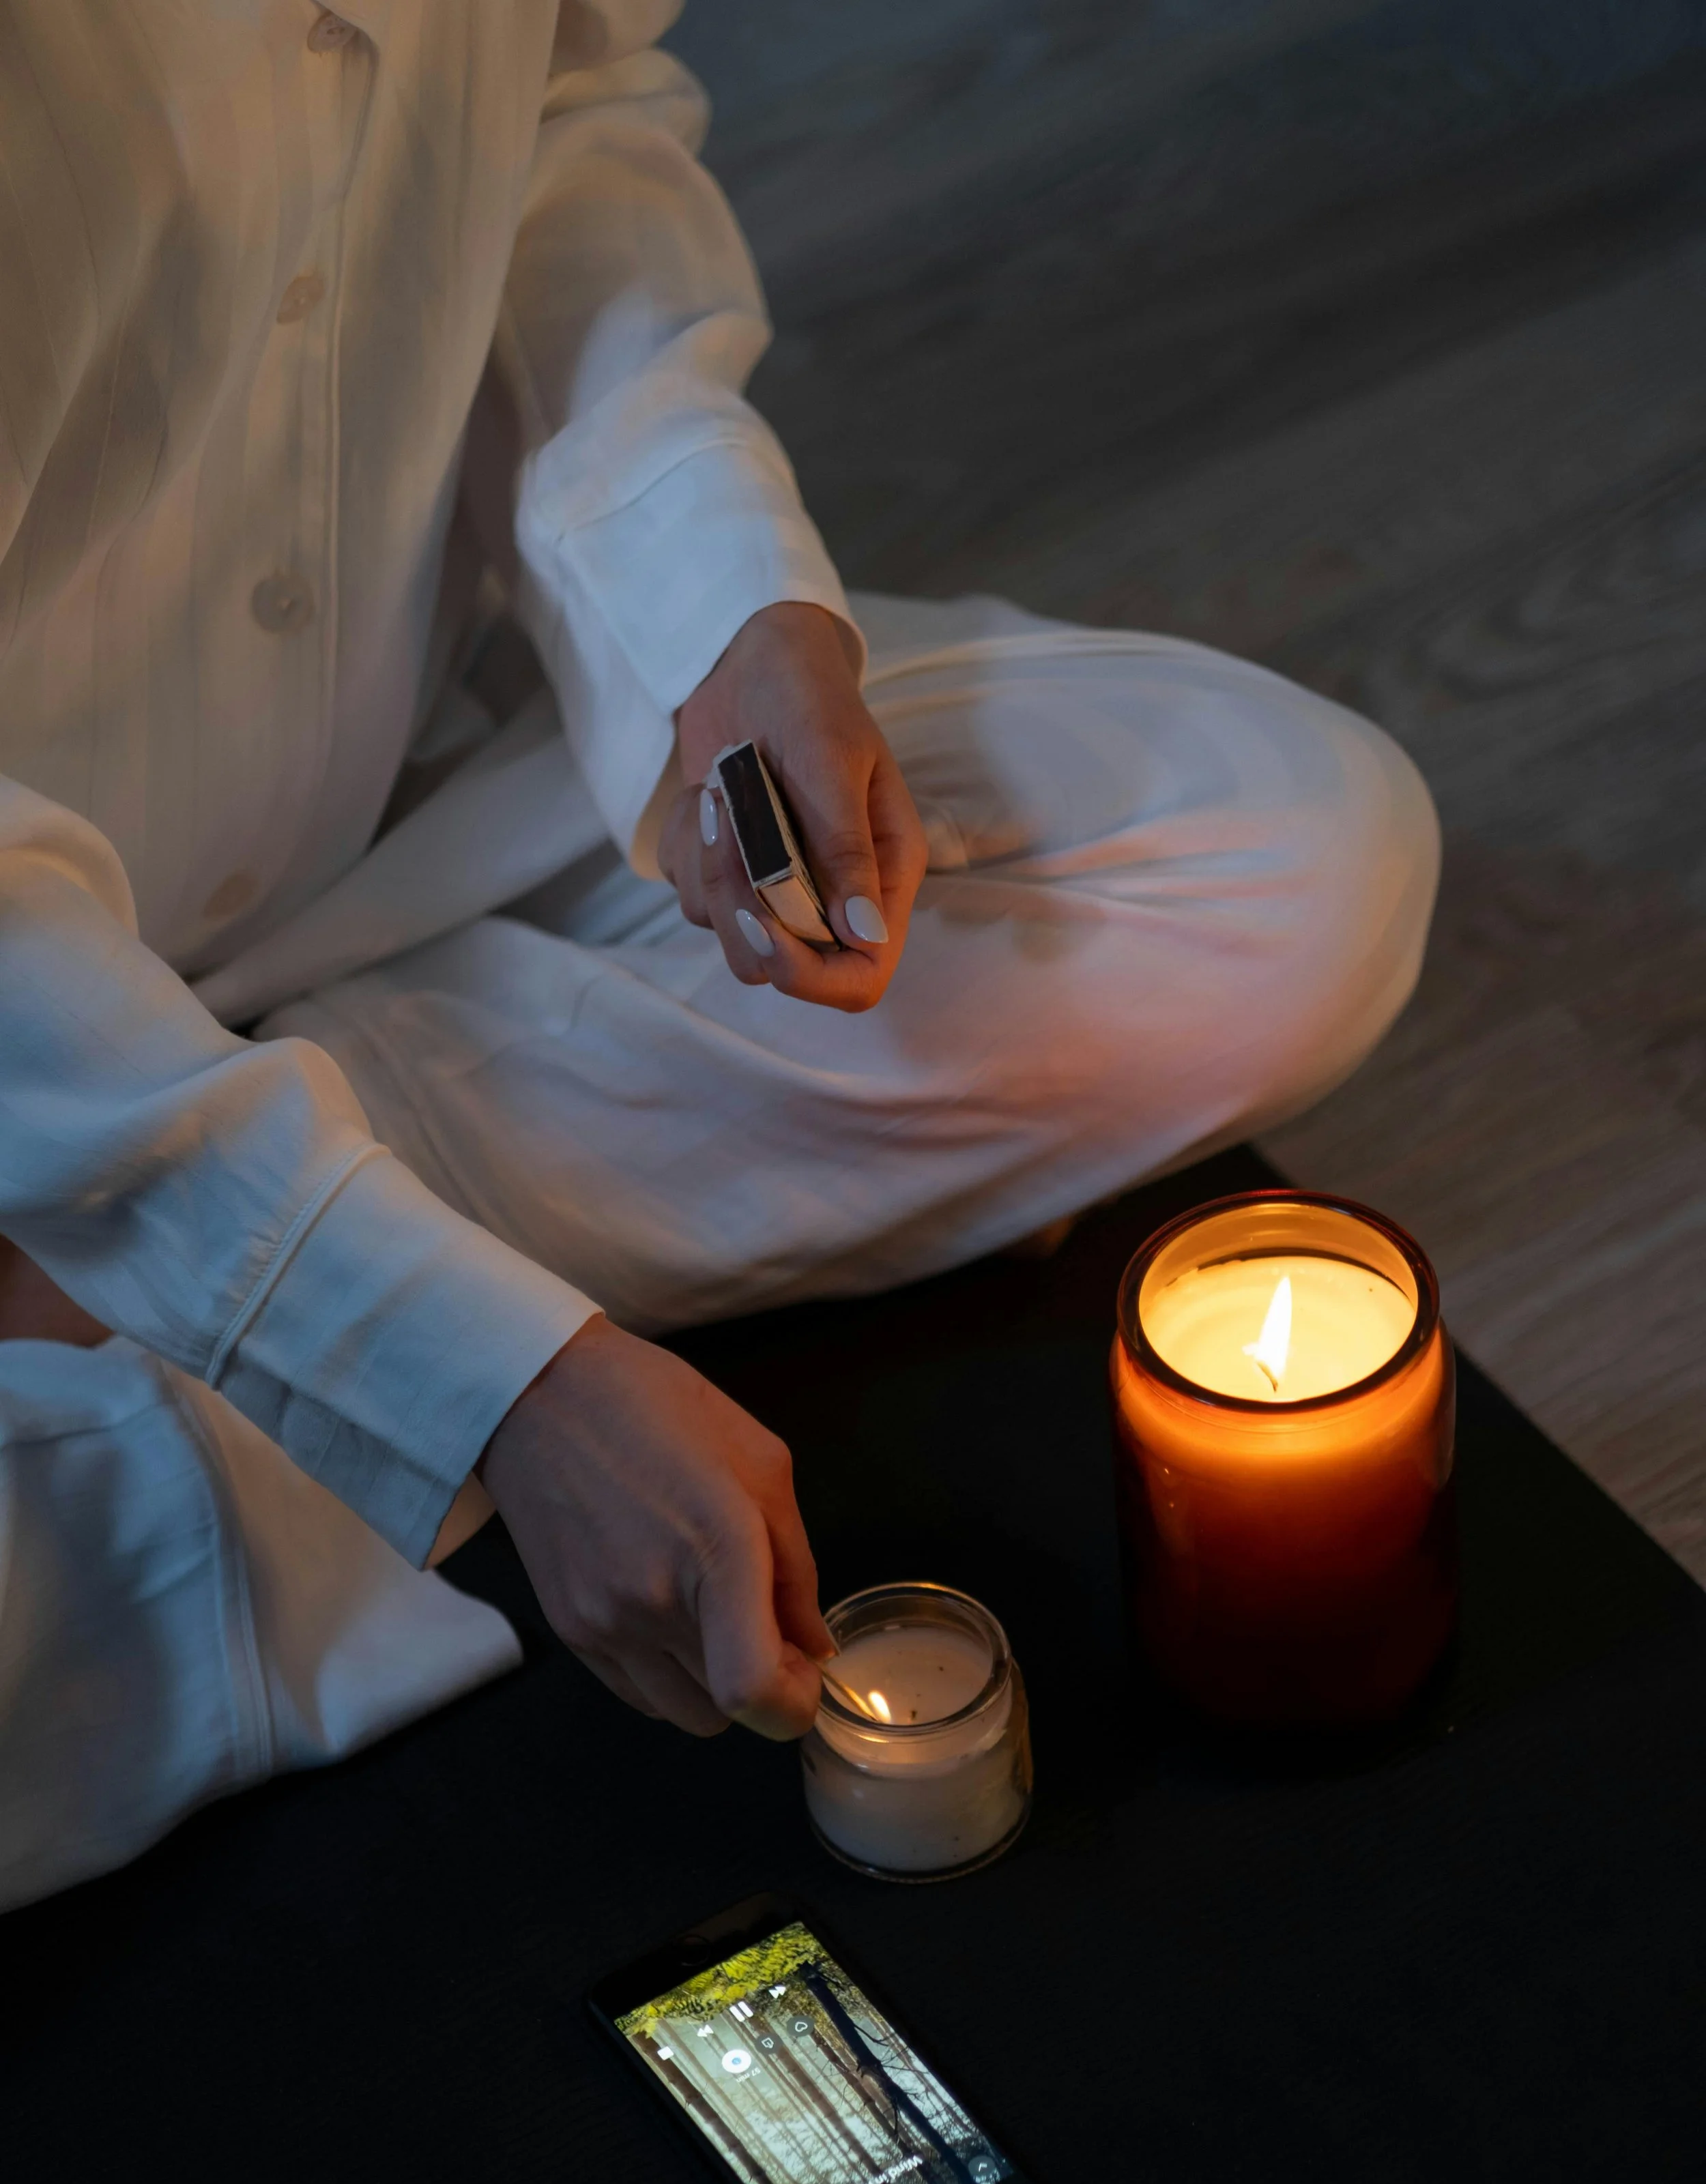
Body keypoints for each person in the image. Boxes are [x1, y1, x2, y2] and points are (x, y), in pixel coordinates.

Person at [0, 1, 1438, 1910]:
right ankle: (257, 1286)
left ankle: (168, 1274)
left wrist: (735, 617)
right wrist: (498, 1388)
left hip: (370, 833)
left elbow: (562, 122)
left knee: (1284, 865)